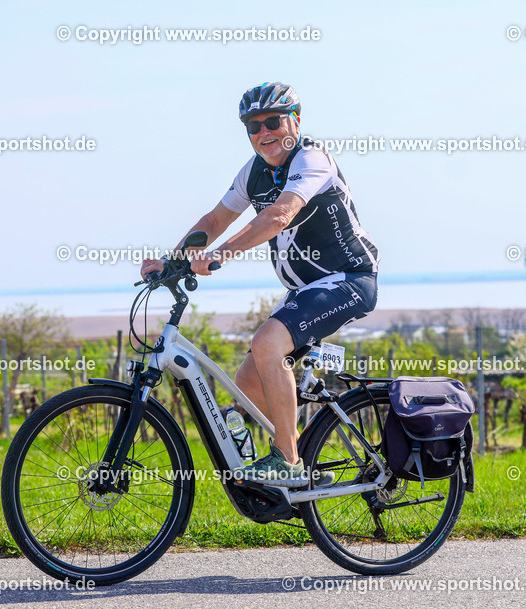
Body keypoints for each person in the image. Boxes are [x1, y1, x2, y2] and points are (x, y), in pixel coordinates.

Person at [140, 82, 379, 487]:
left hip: (349, 279)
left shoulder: (312, 159)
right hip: (305, 290)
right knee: (249, 382)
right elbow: (214, 220)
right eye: (253, 126)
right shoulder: (253, 172)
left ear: (295, 121)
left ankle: (289, 460)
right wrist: (174, 260)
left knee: (267, 343)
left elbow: (278, 216)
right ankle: (300, 468)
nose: (264, 132)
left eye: (273, 121)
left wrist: (220, 254)